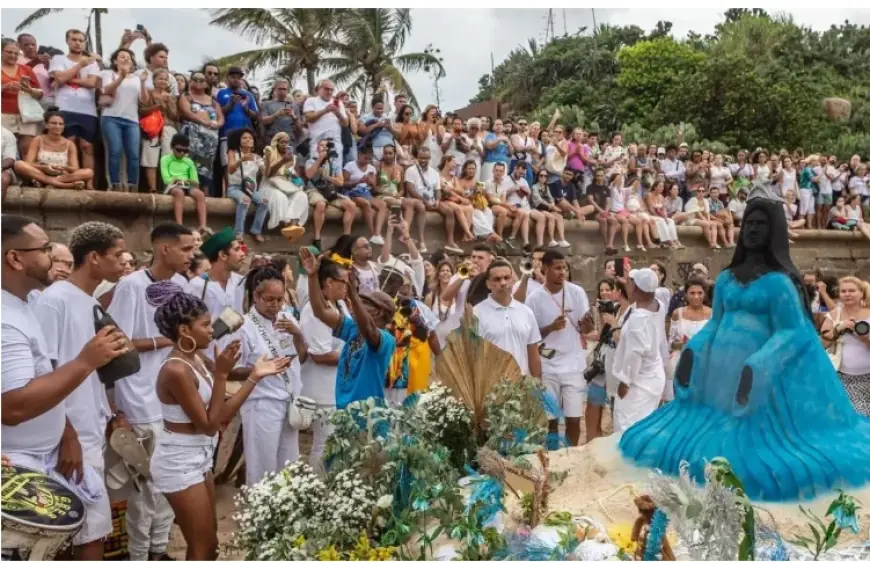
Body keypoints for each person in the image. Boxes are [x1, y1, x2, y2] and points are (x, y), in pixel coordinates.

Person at [621, 184, 870, 501]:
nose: (752, 229)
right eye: (749, 222)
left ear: (774, 230)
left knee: (759, 464)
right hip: (718, 390)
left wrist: (761, 364)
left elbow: (793, 331)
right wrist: (692, 352)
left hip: (768, 393)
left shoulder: (780, 283)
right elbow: (715, 324)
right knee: (656, 443)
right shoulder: (725, 279)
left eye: (761, 223)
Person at [3, 216, 127, 560]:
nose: (56, 257)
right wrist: (87, 361)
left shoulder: (25, 304)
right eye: (44, 250)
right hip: (18, 463)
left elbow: (44, 375)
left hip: (52, 447)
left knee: (86, 534)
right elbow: (12, 407)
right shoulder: (8, 317)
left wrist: (66, 431)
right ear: (15, 259)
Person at [146, 282, 286, 561]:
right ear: (185, 330)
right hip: (179, 461)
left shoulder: (194, 355)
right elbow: (211, 423)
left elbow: (224, 383)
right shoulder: (176, 369)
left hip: (199, 456)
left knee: (210, 543)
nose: (213, 330)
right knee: (202, 546)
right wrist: (235, 376)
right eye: (206, 325)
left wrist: (255, 371)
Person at [106, 223, 196, 561]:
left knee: (170, 485)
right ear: (164, 249)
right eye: (185, 249)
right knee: (143, 490)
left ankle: (160, 550)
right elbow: (118, 341)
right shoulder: (131, 286)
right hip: (140, 400)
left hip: (174, 399)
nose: (191, 255)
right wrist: (166, 341)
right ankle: (139, 554)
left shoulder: (182, 285)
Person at [233, 266, 307, 485]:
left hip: (289, 401)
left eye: (279, 300)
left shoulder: (287, 319)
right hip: (261, 403)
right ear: (256, 296)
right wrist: (261, 369)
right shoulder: (244, 326)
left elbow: (301, 357)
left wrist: (297, 334)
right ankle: (259, 514)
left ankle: (283, 513)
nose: (275, 305)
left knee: (288, 466)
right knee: (262, 467)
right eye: (269, 300)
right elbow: (230, 371)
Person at [301, 247, 397, 409]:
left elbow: (369, 329)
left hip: (369, 416)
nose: (358, 305)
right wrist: (312, 277)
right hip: (344, 411)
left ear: (379, 312)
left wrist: (352, 293)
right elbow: (321, 312)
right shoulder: (354, 329)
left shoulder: (386, 339)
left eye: (365, 303)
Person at [526, 250, 591, 445]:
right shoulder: (534, 298)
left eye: (564, 268)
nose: (562, 272)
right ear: (545, 269)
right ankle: (554, 456)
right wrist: (551, 327)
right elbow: (531, 335)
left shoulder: (577, 292)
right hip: (547, 366)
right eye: (557, 268)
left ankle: (571, 457)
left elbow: (585, 327)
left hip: (573, 365)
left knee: (573, 418)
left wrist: (588, 324)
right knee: (550, 419)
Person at [299, 259, 350, 467]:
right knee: (324, 442)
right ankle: (318, 487)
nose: (347, 287)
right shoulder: (313, 310)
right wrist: (355, 355)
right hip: (321, 389)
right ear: (329, 282)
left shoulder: (340, 304)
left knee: (334, 442)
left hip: (336, 385)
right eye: (343, 282)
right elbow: (320, 355)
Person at [611, 268, 666, 432]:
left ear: (635, 288)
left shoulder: (638, 320)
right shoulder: (658, 305)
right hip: (653, 375)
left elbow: (635, 355)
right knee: (646, 425)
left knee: (627, 426)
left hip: (639, 382)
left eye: (629, 282)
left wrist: (625, 382)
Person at [49, 30, 101, 189]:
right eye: (74, 39)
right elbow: (59, 77)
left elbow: (93, 83)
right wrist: (80, 65)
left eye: (81, 40)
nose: (78, 43)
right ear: (67, 41)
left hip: (87, 110)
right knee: (67, 144)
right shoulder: (59, 59)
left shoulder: (93, 63)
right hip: (65, 108)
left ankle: (89, 183)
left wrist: (66, 78)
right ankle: (69, 180)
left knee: (87, 147)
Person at [473, 260, 542, 378]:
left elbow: (533, 352)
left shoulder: (526, 312)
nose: (503, 283)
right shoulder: (476, 313)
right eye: (497, 279)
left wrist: (538, 383)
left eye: (506, 278)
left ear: (512, 281)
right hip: (490, 387)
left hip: (523, 386)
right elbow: (472, 355)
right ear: (488, 284)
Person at [186, 227, 246, 357]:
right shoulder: (197, 286)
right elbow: (190, 329)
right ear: (223, 255)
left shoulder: (240, 282)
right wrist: (221, 328)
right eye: (236, 249)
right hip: (208, 358)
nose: (242, 254)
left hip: (238, 356)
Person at [820, 276, 870, 415]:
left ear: (862, 293)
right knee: (855, 416)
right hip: (844, 378)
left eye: (852, 291)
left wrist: (865, 338)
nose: (847, 294)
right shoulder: (833, 315)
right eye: (843, 291)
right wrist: (839, 329)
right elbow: (821, 343)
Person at [99, 48, 146, 192]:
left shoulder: (137, 79)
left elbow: (143, 100)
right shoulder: (109, 74)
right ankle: (115, 184)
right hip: (111, 117)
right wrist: (121, 76)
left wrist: (143, 83)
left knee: (133, 154)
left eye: (129, 58)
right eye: (122, 56)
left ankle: (132, 185)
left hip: (132, 120)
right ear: (115, 60)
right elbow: (106, 90)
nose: (126, 59)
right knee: (115, 151)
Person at [13, 108, 94, 189]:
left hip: (62, 175)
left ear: (64, 126)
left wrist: (63, 168)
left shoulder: (69, 144)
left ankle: (53, 182)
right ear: (46, 125)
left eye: (60, 124)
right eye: (53, 123)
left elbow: (74, 168)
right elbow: (29, 163)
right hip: (40, 173)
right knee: (19, 164)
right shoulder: (38, 140)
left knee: (89, 172)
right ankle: (60, 184)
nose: (57, 126)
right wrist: (45, 168)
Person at [178, 71, 223, 196]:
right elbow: (186, 112)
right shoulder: (186, 96)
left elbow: (221, 117)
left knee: (207, 165)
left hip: (210, 139)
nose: (198, 82)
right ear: (191, 82)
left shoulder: (212, 100)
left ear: (206, 84)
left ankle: (205, 193)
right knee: (190, 161)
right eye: (195, 79)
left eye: (202, 80)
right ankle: (189, 190)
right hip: (192, 136)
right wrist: (203, 122)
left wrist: (217, 124)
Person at [666, 278, 711, 403]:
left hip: (704, 363)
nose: (696, 297)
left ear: (705, 294)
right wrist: (682, 345)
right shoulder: (677, 313)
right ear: (685, 294)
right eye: (692, 293)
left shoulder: (712, 314)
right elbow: (671, 342)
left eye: (700, 293)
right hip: (680, 361)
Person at [2, 38, 43, 158]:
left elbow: (40, 94)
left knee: (27, 149)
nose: (13, 55)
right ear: (1, 51)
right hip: (4, 114)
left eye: (16, 53)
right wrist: (5, 87)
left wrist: (28, 89)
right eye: (9, 52)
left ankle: (27, 175)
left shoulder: (26, 69)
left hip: (26, 114)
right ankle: (9, 176)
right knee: (7, 151)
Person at [140, 69, 179, 193]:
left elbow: (175, 116)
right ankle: (153, 188)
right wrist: (158, 105)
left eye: (165, 79)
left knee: (168, 158)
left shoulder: (171, 97)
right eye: (160, 78)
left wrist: (167, 104)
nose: (163, 81)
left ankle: (168, 187)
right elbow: (142, 111)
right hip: (152, 128)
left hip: (168, 127)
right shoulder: (148, 93)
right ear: (154, 80)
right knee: (150, 158)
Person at [161, 133, 209, 232]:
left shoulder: (189, 161)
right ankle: (179, 224)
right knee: (179, 192)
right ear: (172, 147)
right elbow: (166, 179)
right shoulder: (165, 159)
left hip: (187, 185)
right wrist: (177, 180)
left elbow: (196, 182)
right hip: (172, 185)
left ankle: (203, 225)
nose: (182, 153)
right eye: (179, 150)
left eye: (185, 151)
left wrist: (185, 181)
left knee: (200, 194)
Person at [225, 128, 267, 240]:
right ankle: (238, 233)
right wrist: (241, 159)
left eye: (250, 138)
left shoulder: (257, 157)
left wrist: (266, 161)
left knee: (264, 201)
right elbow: (230, 170)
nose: (247, 140)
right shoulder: (233, 152)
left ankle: (256, 230)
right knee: (244, 200)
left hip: (251, 189)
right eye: (244, 138)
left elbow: (265, 173)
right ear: (239, 140)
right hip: (235, 188)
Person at [216, 67, 259, 172]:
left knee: (246, 168)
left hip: (245, 138)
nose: (236, 80)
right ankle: (228, 189)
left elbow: (256, 116)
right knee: (228, 168)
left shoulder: (248, 95)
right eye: (233, 77)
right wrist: (231, 104)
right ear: (227, 78)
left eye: (238, 78)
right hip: (226, 136)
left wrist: (246, 108)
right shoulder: (221, 93)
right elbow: (217, 112)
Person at [304, 79, 347, 171]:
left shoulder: (339, 103)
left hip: (335, 143)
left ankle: (334, 185)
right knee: (317, 171)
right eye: (326, 89)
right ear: (319, 89)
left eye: (331, 89)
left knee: (335, 171)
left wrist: (338, 113)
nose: (329, 92)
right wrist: (325, 110)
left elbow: (345, 124)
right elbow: (309, 118)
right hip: (317, 143)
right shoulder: (311, 101)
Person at [260, 78, 301, 147]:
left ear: (287, 91)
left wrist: (294, 117)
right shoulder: (266, 104)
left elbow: (300, 128)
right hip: (272, 140)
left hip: (289, 141)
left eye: (284, 89)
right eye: (280, 89)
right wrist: (276, 115)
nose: (282, 91)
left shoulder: (294, 106)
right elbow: (263, 121)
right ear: (275, 89)